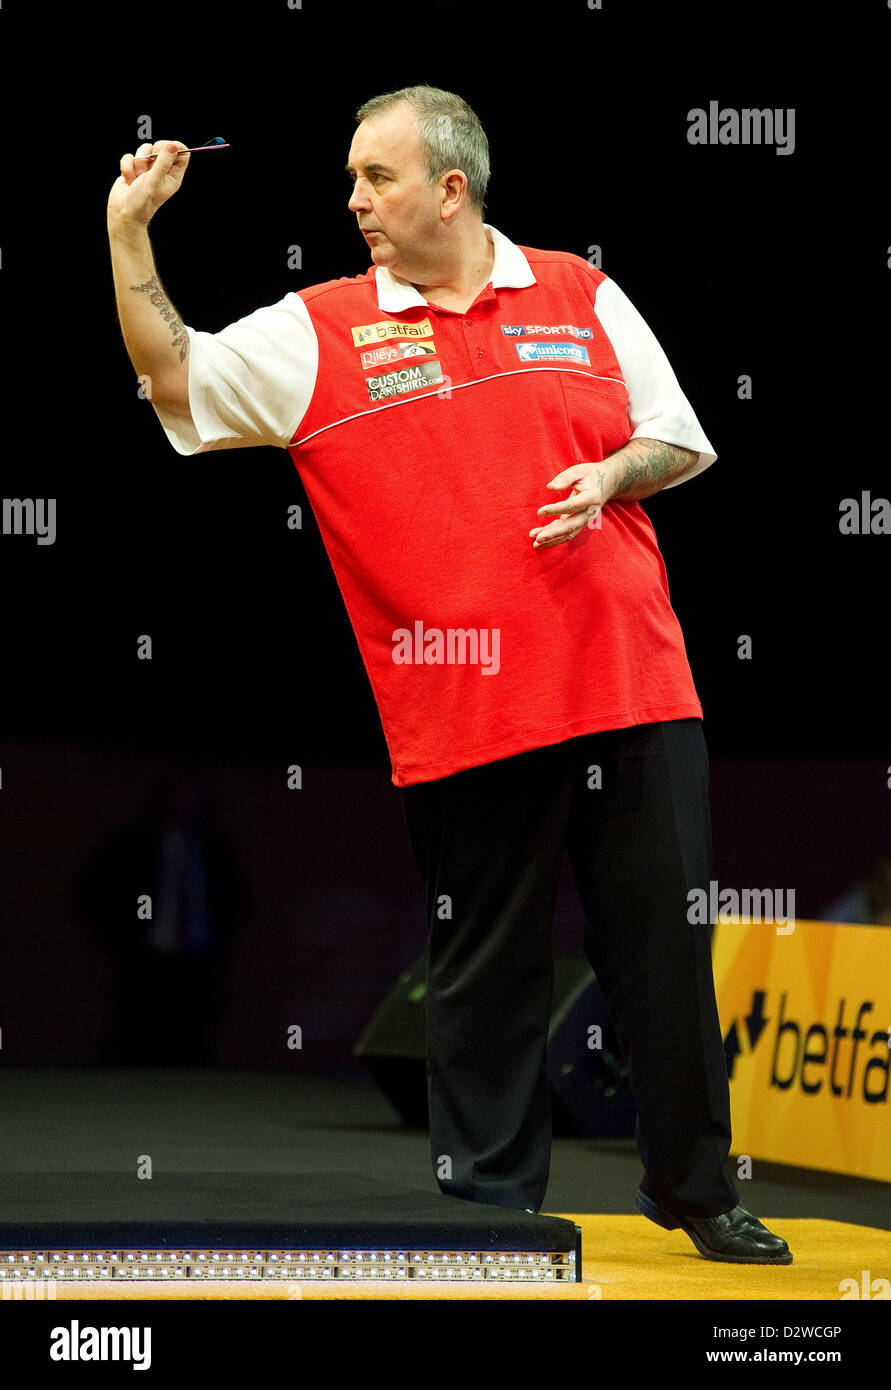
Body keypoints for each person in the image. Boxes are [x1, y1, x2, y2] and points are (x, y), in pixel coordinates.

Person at [106, 84, 791, 1264]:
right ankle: (486, 1209)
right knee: (486, 975)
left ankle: (696, 1187)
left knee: (663, 955)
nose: (355, 201)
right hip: (469, 707)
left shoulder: (580, 291)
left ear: (451, 188)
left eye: (376, 178)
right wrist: (129, 232)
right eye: (352, 181)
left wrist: (614, 473)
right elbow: (174, 378)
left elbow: (682, 435)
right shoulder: (318, 329)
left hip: (633, 681)